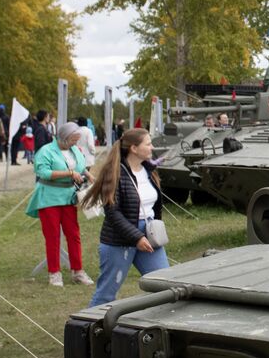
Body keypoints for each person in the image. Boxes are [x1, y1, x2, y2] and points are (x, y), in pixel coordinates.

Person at [82, 128, 169, 307]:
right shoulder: (115, 173)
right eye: (148, 143)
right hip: (118, 240)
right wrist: (136, 237)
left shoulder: (149, 170)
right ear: (134, 149)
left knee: (166, 285)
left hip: (149, 234)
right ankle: (88, 328)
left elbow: (153, 205)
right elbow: (113, 213)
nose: (152, 147)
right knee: (106, 294)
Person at [25, 121, 94, 287]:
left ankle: (78, 271)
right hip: (49, 197)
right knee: (53, 236)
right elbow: (43, 172)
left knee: (73, 234)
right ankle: (54, 273)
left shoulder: (75, 150)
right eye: (73, 140)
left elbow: (81, 166)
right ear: (63, 138)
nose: (75, 143)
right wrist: (69, 173)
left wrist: (89, 176)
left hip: (69, 197)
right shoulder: (46, 151)